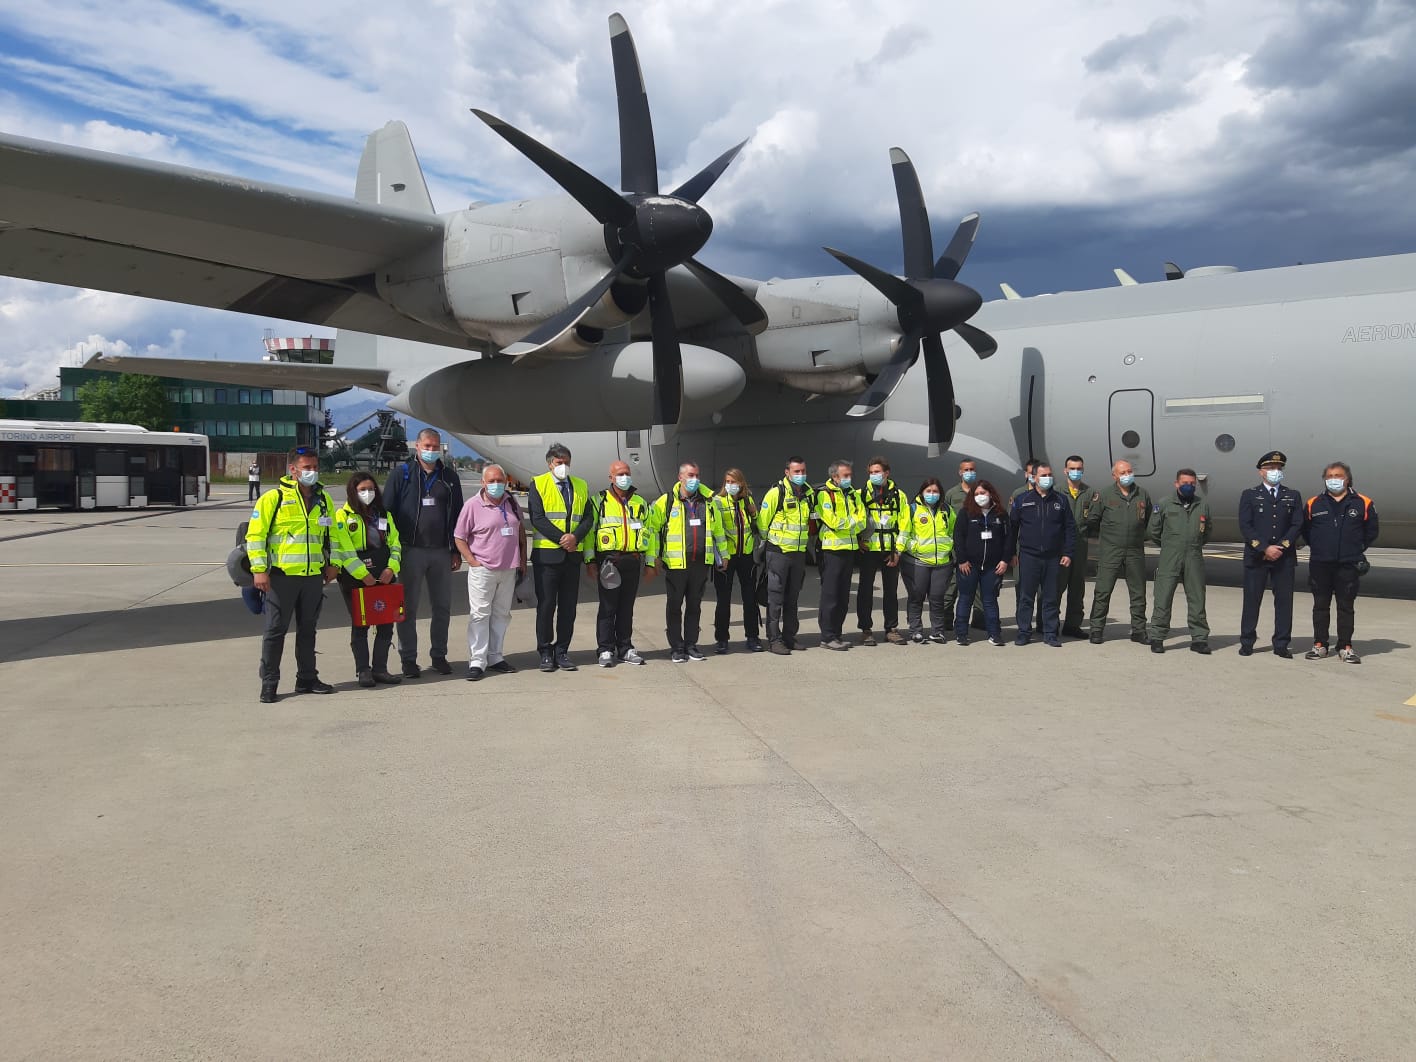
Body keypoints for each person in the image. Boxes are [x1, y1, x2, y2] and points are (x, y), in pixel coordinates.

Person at [246, 447, 339, 702]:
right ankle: (269, 681)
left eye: (314, 467)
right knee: (276, 630)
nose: (311, 472)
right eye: (306, 468)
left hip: (312, 577)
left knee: (308, 629)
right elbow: (255, 536)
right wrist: (259, 570)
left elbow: (334, 536)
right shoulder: (272, 498)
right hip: (281, 576)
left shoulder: (324, 500)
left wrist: (334, 564)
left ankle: (307, 678)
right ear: (293, 469)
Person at [384, 428, 464, 678]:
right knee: (408, 607)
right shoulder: (402, 474)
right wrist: (391, 552)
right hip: (411, 551)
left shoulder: (449, 477)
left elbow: (459, 516)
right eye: (427, 446)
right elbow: (386, 512)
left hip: (441, 551)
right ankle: (408, 659)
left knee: (442, 607)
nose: (431, 450)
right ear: (416, 446)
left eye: (435, 446)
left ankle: (438, 655)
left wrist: (455, 550)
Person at [645, 462, 725, 662]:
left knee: (694, 605)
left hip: (700, 562)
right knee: (674, 605)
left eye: (697, 475)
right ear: (680, 477)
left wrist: (723, 555)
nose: (695, 480)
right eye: (690, 475)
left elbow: (718, 531)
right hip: (676, 563)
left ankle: (691, 644)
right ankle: (676, 647)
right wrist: (652, 557)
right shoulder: (667, 501)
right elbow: (653, 530)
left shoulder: (708, 501)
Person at [453, 464, 527, 681]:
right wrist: (472, 561)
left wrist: (522, 558)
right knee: (479, 615)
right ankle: (477, 660)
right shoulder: (472, 505)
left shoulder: (511, 502)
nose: (496, 485)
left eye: (500, 481)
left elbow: (520, 530)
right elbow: (459, 536)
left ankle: (495, 656)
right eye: (492, 481)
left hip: (508, 568)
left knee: (501, 614)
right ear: (483, 483)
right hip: (483, 569)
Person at [330, 472, 403, 687]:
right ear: (353, 492)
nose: (367, 493)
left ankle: (380, 668)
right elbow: (343, 549)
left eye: (371, 489)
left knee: (386, 623)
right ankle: (363, 670)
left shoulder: (383, 515)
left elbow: (395, 543)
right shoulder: (342, 517)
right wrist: (363, 575)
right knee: (360, 624)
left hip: (384, 575)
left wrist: (392, 568)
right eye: (362, 490)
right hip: (356, 577)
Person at [1302, 461, 1379, 664]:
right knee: (1320, 605)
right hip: (1321, 563)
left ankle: (1345, 646)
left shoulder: (1363, 502)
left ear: (1347, 478)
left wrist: (1355, 548)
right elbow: (1307, 531)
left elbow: (1371, 531)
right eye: (1329, 476)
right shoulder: (1314, 503)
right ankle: (1320, 644)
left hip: (1348, 564)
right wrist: (1320, 547)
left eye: (1338, 475)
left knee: (1345, 606)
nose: (1333, 479)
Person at [528, 442, 594, 672]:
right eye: (559, 463)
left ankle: (562, 651)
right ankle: (545, 651)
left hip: (571, 558)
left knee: (568, 608)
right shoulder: (538, 483)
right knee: (546, 606)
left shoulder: (581, 485)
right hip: (547, 557)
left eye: (566, 463)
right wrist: (562, 539)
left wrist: (575, 537)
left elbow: (588, 517)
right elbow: (537, 518)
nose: (563, 466)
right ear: (550, 464)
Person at [1238, 450, 1305, 658]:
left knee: (1284, 602)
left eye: (1278, 468)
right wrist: (1264, 548)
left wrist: (1281, 547)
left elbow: (1297, 524)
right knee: (1251, 600)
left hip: (1284, 558)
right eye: (1270, 468)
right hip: (1257, 557)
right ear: (1261, 472)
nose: (1275, 471)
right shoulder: (1249, 495)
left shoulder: (1292, 495)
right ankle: (1247, 641)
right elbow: (1245, 525)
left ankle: (1281, 643)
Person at [1083, 459, 1154, 644]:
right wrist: (1110, 537)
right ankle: (1097, 630)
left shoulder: (1142, 495)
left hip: (1135, 551)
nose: (1127, 475)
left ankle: (1139, 630)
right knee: (1103, 591)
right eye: (1122, 472)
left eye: (1129, 471)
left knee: (1138, 592)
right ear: (1114, 475)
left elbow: (1148, 523)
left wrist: (1138, 538)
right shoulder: (1105, 495)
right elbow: (1093, 520)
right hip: (1110, 551)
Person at [588, 460, 651, 667]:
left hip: (632, 561)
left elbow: (649, 534)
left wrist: (650, 562)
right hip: (610, 562)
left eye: (627, 473)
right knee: (608, 607)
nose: (624, 477)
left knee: (626, 607)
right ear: (611, 478)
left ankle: (625, 647)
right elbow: (590, 534)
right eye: (620, 474)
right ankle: (605, 649)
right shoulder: (600, 501)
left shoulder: (640, 502)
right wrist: (590, 561)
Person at [1010, 462, 1076, 647]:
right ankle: (1023, 632)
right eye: (1044, 475)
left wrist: (1068, 553)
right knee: (1026, 597)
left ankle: (1050, 633)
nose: (1048, 478)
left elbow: (1069, 529)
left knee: (1050, 597)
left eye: (1050, 474)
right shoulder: (1022, 499)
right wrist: (1011, 554)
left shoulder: (1060, 501)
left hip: (1053, 557)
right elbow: (1013, 528)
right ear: (1034, 478)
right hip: (1029, 556)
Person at [1146, 469, 1211, 654]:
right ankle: (1158, 637)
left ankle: (1199, 639)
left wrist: (1193, 544)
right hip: (1170, 557)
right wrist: (1169, 545)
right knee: (1163, 597)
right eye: (1184, 483)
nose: (1189, 486)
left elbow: (1207, 532)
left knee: (1197, 598)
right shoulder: (1164, 504)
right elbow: (1153, 531)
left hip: (1193, 557)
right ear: (1176, 484)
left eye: (1192, 483)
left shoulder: (1202, 505)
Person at [757, 456, 814, 655]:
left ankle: (790, 637)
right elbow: (762, 523)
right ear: (787, 472)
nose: (800, 475)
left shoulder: (808, 494)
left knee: (793, 598)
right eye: (796, 471)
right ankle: (774, 640)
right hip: (778, 553)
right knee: (775, 598)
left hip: (798, 554)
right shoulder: (776, 493)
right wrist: (769, 544)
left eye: (803, 471)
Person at [854, 457, 909, 645]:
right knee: (865, 590)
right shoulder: (860, 494)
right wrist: (857, 541)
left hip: (890, 549)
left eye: (877, 472)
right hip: (869, 549)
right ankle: (866, 629)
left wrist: (898, 551)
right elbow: (854, 519)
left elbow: (905, 525)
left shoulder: (899, 495)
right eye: (871, 472)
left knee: (891, 591)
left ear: (887, 473)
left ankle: (891, 629)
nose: (874, 475)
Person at [951, 478, 1013, 646]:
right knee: (965, 598)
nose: (980, 496)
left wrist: (1005, 560)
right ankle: (961, 634)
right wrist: (962, 560)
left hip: (992, 567)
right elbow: (958, 537)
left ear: (990, 493)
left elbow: (1008, 539)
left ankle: (994, 634)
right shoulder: (966, 513)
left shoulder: (1001, 514)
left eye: (983, 493)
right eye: (977, 493)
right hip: (969, 566)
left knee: (990, 600)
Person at [814, 459, 866, 650]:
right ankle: (827, 636)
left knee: (843, 596)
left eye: (850, 475)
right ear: (835, 477)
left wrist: (849, 523)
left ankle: (836, 633)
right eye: (845, 476)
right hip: (832, 551)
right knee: (831, 595)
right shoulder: (824, 495)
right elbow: (832, 522)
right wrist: (852, 523)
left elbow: (863, 521)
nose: (849, 479)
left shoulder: (853, 494)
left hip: (849, 550)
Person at [898, 477, 956, 644]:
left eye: (935, 491)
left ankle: (938, 631)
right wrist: (903, 550)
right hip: (917, 561)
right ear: (922, 492)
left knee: (937, 597)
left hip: (942, 563)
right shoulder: (912, 509)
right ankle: (915, 630)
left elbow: (953, 531)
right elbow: (904, 533)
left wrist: (950, 545)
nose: (932, 494)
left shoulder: (947, 510)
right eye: (928, 491)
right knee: (916, 596)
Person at [711, 468, 763, 653]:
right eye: (727, 482)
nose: (731, 485)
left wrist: (755, 513)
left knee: (750, 598)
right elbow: (716, 530)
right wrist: (722, 555)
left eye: (734, 482)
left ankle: (752, 637)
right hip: (727, 557)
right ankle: (722, 639)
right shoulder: (717, 502)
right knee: (723, 600)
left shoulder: (747, 500)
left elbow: (759, 527)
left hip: (746, 556)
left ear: (741, 483)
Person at [941, 456, 986, 634]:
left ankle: (979, 617)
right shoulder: (952, 494)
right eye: (966, 470)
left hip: (978, 545)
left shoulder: (981, 492)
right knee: (952, 584)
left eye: (972, 470)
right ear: (960, 472)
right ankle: (946, 618)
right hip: (957, 546)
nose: (969, 473)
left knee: (978, 585)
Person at [1057, 455, 1099, 638]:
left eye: (1079, 468)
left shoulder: (1090, 493)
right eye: (1072, 468)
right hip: (1060, 546)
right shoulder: (1057, 491)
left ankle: (1072, 625)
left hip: (1080, 546)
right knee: (1055, 586)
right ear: (1065, 470)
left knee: (1077, 587)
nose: (1076, 472)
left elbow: (1094, 520)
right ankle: (1047, 624)